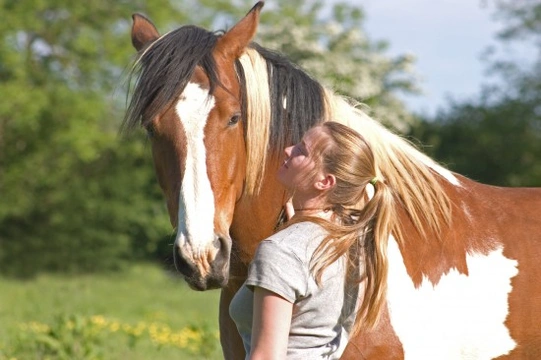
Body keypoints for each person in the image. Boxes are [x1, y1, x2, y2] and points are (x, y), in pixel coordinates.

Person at [229, 121, 399, 359]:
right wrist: (297, 222)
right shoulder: (353, 241)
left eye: (301, 151)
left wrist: (287, 240)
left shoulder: (283, 251)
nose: (289, 150)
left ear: (324, 182)